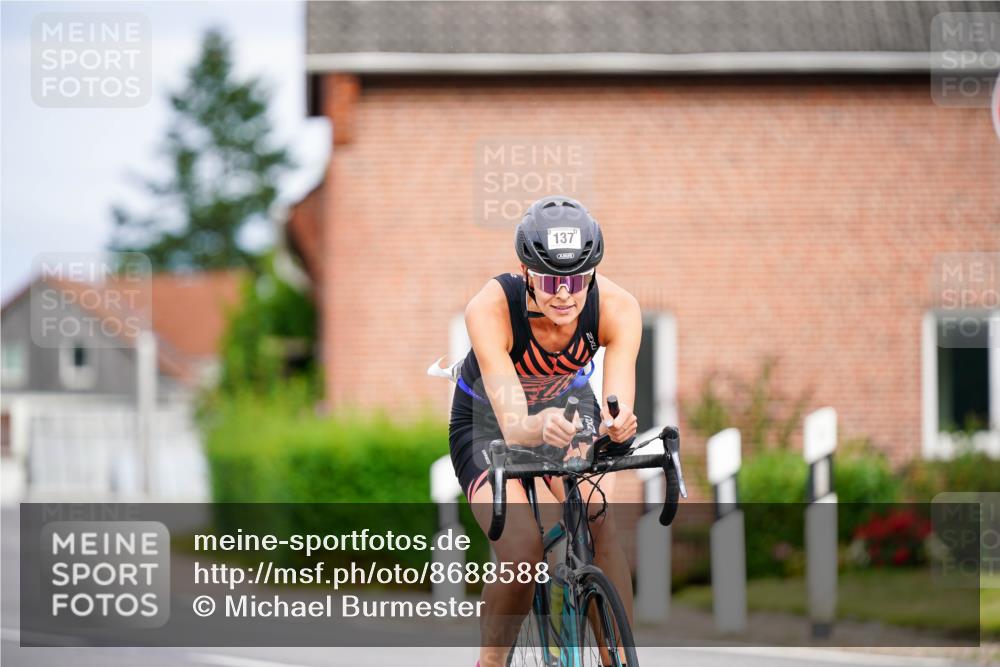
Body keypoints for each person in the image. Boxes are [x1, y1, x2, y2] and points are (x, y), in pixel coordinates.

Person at [447, 195, 642, 667]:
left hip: (568, 404)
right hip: (489, 420)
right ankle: (490, 662)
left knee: (598, 519)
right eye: (551, 279)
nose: (564, 294)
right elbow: (515, 424)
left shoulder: (618, 308)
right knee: (521, 549)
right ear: (525, 270)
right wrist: (536, 426)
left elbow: (616, 402)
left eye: (576, 280)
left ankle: (618, 657)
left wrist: (618, 429)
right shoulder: (491, 307)